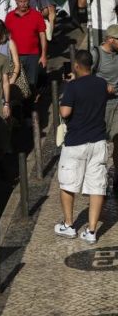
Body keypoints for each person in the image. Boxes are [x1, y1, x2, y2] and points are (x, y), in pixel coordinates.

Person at [55, 50, 109, 244]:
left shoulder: (73, 87)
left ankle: (69, 225)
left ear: (76, 66)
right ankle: (92, 231)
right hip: (98, 141)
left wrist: (66, 91)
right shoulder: (101, 84)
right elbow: (109, 91)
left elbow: (65, 111)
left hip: (76, 142)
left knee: (68, 183)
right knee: (96, 186)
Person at [91, 25, 118, 194]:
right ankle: (96, 180)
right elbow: (84, 77)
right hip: (101, 106)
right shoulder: (96, 54)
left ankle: (117, 178)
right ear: (110, 40)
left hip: (117, 104)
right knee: (99, 145)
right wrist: (102, 86)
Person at [5, 0, 47, 92]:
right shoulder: (9, 16)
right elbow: (6, 37)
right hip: (15, 56)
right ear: (16, 1)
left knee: (32, 84)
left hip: (32, 56)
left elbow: (42, 36)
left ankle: (30, 106)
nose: (23, 4)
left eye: (25, 1)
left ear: (29, 0)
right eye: (20, 1)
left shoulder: (37, 15)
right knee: (16, 84)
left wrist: (43, 55)